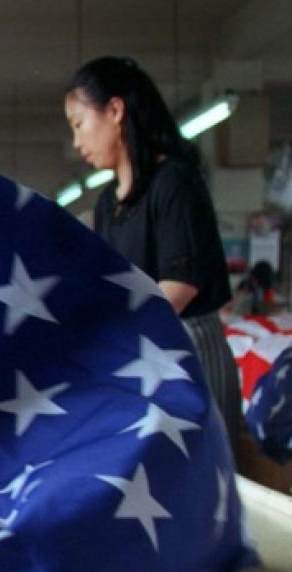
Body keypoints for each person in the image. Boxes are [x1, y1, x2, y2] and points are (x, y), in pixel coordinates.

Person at [64, 56, 240, 446]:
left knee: (200, 472)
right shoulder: (110, 204)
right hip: (140, 351)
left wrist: (112, 336)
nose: (77, 142)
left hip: (187, 345)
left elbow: (179, 288)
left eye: (79, 124)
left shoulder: (173, 182)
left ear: (114, 110)